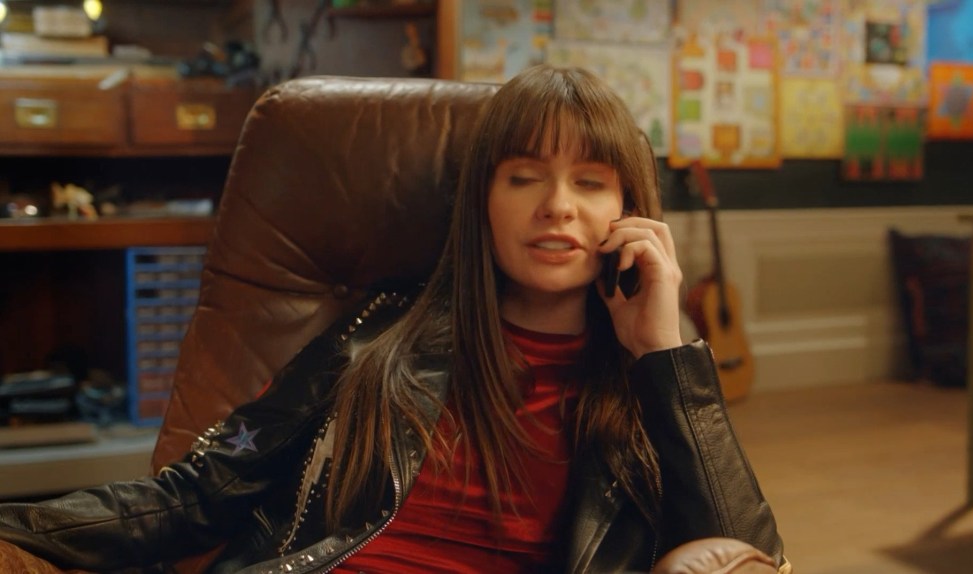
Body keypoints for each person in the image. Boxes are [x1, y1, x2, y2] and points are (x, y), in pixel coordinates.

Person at [0, 65, 788, 574]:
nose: (557, 206)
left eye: (589, 181)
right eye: (524, 177)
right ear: (483, 201)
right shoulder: (377, 333)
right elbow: (200, 492)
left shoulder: (649, 385)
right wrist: (23, 526)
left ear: (628, 211)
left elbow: (747, 556)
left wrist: (662, 352)